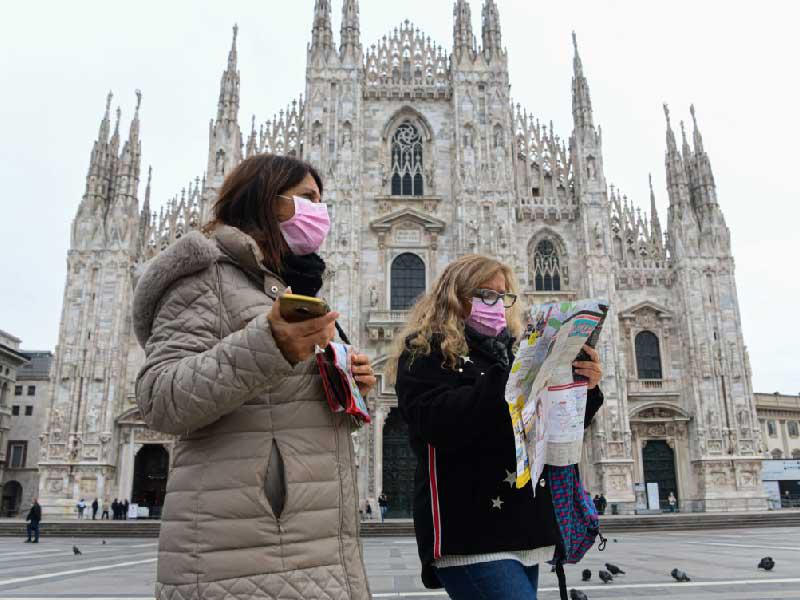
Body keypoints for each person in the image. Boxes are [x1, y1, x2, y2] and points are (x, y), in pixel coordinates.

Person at [133, 154, 375, 600]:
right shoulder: (206, 276)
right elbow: (158, 398)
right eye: (307, 199)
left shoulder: (293, 285)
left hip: (316, 544)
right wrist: (271, 346)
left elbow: (289, 407)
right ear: (268, 201)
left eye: (322, 201)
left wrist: (352, 388)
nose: (319, 212)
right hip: (241, 548)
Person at [389, 255, 604, 599]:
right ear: (456, 296)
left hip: (521, 527)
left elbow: (547, 425)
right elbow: (438, 423)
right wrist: (516, 374)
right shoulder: (423, 351)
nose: (497, 304)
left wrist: (583, 388)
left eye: (502, 296)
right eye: (485, 294)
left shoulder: (512, 349)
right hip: (470, 530)